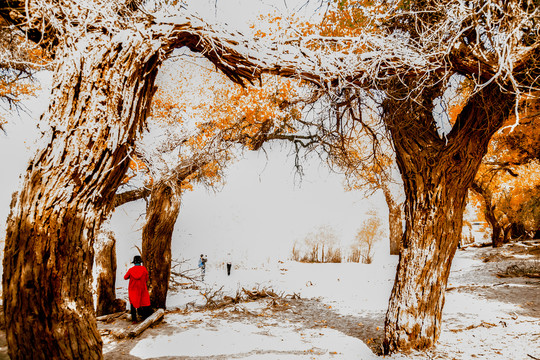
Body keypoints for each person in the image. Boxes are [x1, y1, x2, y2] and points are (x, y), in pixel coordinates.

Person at [124, 255, 151, 323]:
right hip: (142, 288)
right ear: (140, 262)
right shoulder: (144, 269)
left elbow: (125, 277)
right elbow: (147, 278)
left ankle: (134, 320)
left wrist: (131, 277)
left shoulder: (131, 270)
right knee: (143, 302)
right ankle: (145, 318)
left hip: (133, 289)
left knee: (133, 303)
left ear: (134, 262)